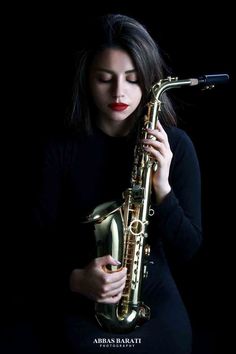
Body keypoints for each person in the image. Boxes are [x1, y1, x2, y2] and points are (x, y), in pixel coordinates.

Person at [31, 13, 202, 354]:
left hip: (150, 290)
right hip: (81, 290)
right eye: (104, 79)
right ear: (86, 81)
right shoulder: (59, 148)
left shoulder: (176, 146)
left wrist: (163, 188)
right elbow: (31, 246)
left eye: (133, 79)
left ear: (150, 81)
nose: (119, 92)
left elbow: (188, 250)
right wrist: (76, 280)